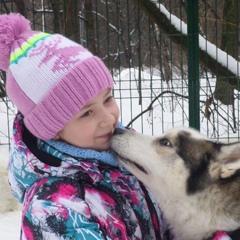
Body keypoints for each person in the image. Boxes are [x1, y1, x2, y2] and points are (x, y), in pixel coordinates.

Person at [0, 13, 233, 240]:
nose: (108, 119)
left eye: (108, 99)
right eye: (87, 113)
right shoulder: (53, 209)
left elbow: (179, 222)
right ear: (53, 128)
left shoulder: (127, 159)